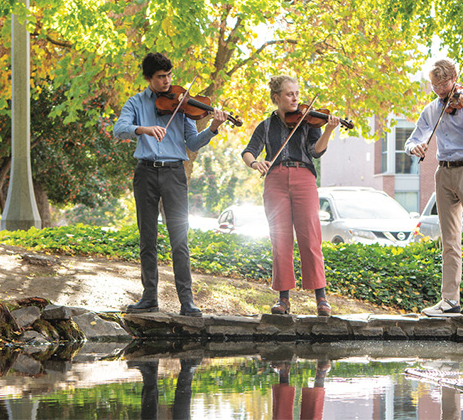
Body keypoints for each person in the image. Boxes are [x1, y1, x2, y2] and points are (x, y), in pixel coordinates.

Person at [113, 52, 227, 317]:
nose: (167, 82)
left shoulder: (183, 103)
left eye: (169, 76)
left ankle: (186, 302)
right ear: (149, 78)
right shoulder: (136, 102)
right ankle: (149, 298)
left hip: (175, 173)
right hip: (146, 173)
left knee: (180, 239)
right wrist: (144, 129)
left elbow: (192, 143)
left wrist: (211, 128)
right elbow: (119, 129)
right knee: (147, 238)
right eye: (161, 77)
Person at [404, 58, 463, 317]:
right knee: (449, 241)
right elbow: (413, 138)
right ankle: (449, 301)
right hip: (443, 172)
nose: (440, 90)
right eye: (435, 85)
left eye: (444, 84)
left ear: (454, 79)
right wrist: (415, 147)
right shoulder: (431, 109)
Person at [241, 75, 340, 316]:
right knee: (280, 240)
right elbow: (248, 151)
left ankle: (321, 298)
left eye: (296, 93)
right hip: (274, 180)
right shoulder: (265, 126)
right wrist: (255, 164)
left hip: (303, 178)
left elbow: (315, 152)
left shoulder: (309, 123)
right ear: (277, 98)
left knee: (311, 237)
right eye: (289, 94)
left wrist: (328, 130)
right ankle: (283, 299)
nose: (295, 98)